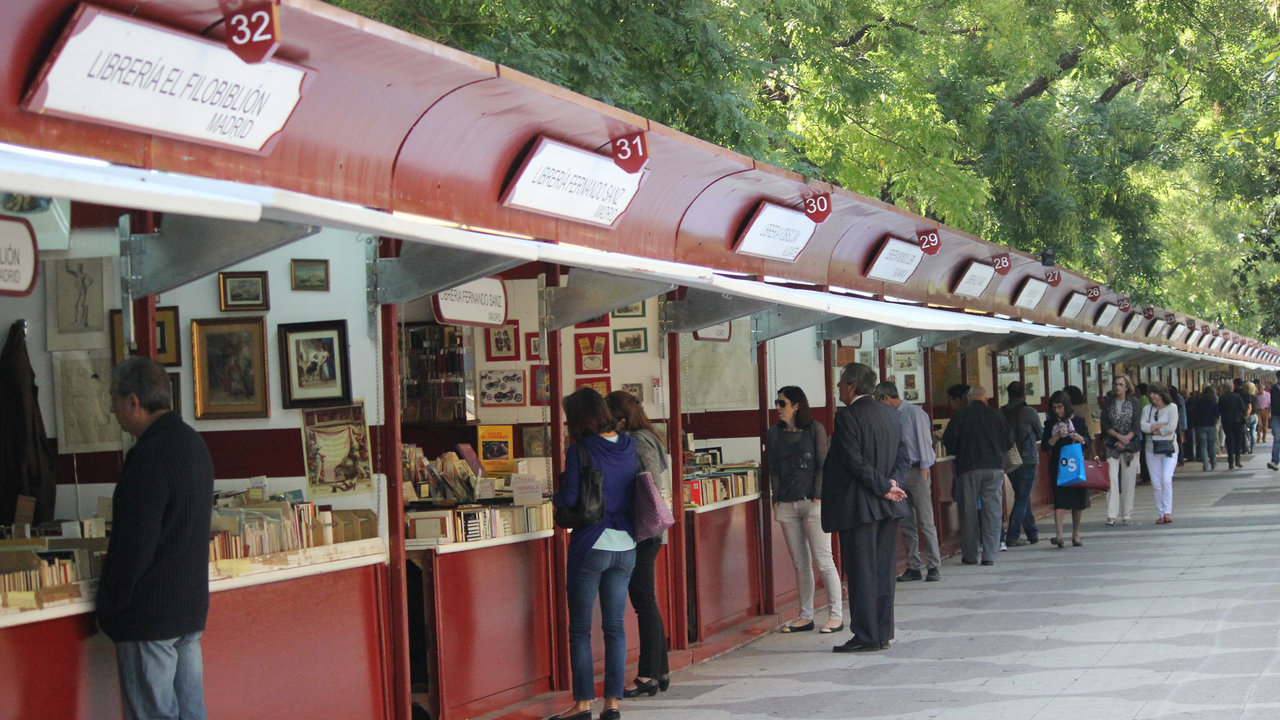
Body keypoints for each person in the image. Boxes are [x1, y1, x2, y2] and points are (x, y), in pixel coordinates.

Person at [98, 357, 215, 720]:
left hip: (148, 615)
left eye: (115, 401)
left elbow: (136, 545)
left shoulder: (149, 457)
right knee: (191, 712)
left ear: (134, 402)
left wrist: (112, 606)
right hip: (188, 609)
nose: (113, 411)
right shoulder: (194, 445)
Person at [550, 388, 639, 720]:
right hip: (626, 546)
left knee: (580, 629)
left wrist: (551, 495)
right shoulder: (630, 445)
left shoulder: (580, 450)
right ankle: (612, 704)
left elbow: (572, 497)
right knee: (615, 627)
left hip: (591, 544)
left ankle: (583, 703)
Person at [822, 363, 909, 653]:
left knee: (861, 573)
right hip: (888, 507)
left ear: (852, 386)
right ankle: (882, 632)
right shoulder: (890, 413)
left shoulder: (848, 417)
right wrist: (893, 482)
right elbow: (903, 456)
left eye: (841, 383)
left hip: (860, 506)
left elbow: (853, 460)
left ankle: (865, 635)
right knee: (884, 572)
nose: (838, 388)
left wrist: (884, 485)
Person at [605, 391, 672, 696]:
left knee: (643, 600)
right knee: (647, 600)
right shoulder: (649, 436)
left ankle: (647, 674)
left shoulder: (638, 440)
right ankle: (660, 670)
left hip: (644, 530)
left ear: (620, 417)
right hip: (651, 530)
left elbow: (649, 483)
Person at [765, 386, 843, 632]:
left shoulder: (814, 430)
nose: (777, 408)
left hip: (813, 502)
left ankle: (836, 615)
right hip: (787, 503)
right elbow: (773, 468)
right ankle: (805, 615)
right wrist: (775, 497)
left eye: (782, 403)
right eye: (777, 403)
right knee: (800, 563)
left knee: (824, 560)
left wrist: (819, 497)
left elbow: (823, 464)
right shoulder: (774, 434)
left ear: (796, 405)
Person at [873, 381, 941, 582]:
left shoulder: (914, 413)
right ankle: (913, 565)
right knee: (907, 521)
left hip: (916, 470)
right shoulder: (889, 416)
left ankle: (934, 565)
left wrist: (924, 471)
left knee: (925, 520)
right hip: (900, 473)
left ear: (886, 398)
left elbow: (924, 442)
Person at [942, 386, 1013, 566]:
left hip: (968, 468)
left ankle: (971, 555)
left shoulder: (960, 416)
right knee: (992, 511)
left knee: (968, 512)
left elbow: (949, 442)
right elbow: (1009, 441)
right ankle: (989, 554)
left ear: (968, 398)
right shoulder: (997, 415)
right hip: (994, 469)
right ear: (985, 398)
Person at [1042, 390, 1089, 549]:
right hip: (1059, 464)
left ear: (1066, 406)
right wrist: (1056, 437)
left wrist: (1078, 437)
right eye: (1054, 408)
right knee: (1060, 500)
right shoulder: (1050, 425)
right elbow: (1044, 446)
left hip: (1075, 465)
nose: (1058, 411)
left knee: (1077, 500)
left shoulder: (1079, 422)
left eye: (1060, 407)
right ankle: (1059, 534)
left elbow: (1087, 442)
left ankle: (1076, 533)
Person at [1001, 381, 1043, 545]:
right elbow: (1040, 434)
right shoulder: (1030, 412)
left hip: (1010, 459)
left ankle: (1032, 533)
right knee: (1022, 497)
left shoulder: (1001, 412)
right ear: (1023, 394)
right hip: (1028, 458)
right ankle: (1012, 535)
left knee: (1022, 496)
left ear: (1008, 394)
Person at [1100, 374, 1141, 526]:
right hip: (1111, 444)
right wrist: (1118, 437)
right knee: (1111, 478)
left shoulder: (1134, 402)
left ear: (1126, 387)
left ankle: (1127, 514)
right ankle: (1111, 514)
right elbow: (1104, 424)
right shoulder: (1108, 403)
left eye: (1121, 384)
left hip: (1130, 445)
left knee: (1128, 480)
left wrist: (1126, 439)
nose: (1118, 387)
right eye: (1116, 384)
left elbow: (1136, 424)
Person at [1142, 383, 1180, 525]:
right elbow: (1143, 426)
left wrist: (1154, 429)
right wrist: (1157, 428)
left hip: (1169, 449)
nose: (1152, 396)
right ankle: (1161, 513)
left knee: (1166, 479)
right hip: (1151, 449)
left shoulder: (1172, 408)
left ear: (1162, 394)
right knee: (1156, 483)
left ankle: (1168, 512)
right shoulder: (1147, 409)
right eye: (1150, 393)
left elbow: (1171, 427)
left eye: (1155, 393)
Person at [1218, 379, 1248, 469]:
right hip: (1238, 422)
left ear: (1224, 388)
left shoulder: (1222, 397)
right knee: (1238, 441)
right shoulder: (1237, 397)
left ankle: (1230, 462)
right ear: (1232, 387)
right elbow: (1243, 409)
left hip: (1227, 422)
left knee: (1229, 441)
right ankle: (1238, 460)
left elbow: (1219, 410)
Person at [1269, 370, 1280, 471]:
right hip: (1276, 416)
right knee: (1277, 439)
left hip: (1276, 416)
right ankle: (1275, 461)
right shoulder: (1274, 388)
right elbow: (1272, 404)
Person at [1243, 381, 1258, 454]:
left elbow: (1249, 407)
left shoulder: (1247, 396)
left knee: (1245, 432)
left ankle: (1248, 447)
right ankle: (1252, 447)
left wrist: (1246, 416)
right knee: (1252, 432)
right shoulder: (1254, 396)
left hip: (1250, 416)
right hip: (1255, 416)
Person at [1255, 380, 1271, 447]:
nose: (1260, 390)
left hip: (1265, 410)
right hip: (1258, 410)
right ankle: (1258, 437)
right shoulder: (1256, 395)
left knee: (1265, 426)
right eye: (1259, 389)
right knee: (1259, 425)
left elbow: (1270, 403)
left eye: (1261, 388)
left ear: (1263, 388)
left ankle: (1264, 438)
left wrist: (1270, 412)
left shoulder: (1268, 394)